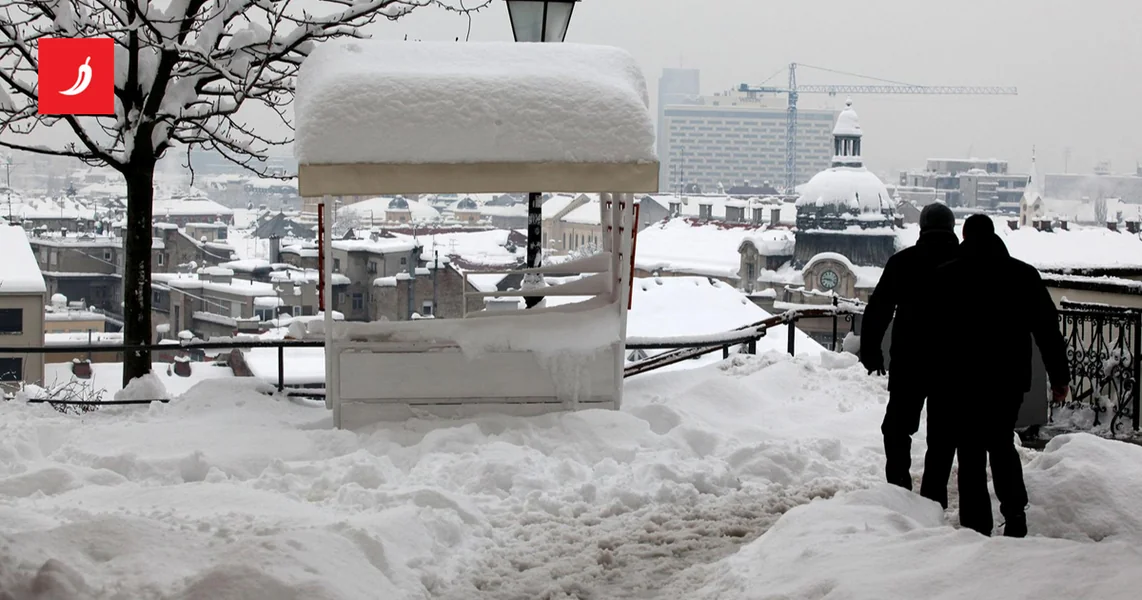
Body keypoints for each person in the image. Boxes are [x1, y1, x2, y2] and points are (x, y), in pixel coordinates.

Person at [923, 214, 1070, 537]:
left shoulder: (945, 275)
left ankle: (976, 526)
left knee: (970, 451)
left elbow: (929, 334)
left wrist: (929, 376)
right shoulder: (1023, 275)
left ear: (964, 236)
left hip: (959, 380)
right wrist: (1060, 377)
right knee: (1002, 444)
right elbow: (1048, 331)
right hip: (1007, 380)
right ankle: (1015, 514)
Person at [860, 202, 960, 493]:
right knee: (943, 436)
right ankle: (933, 495)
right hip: (953, 363)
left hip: (909, 360)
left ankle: (899, 490)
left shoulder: (903, 261)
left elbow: (878, 310)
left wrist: (871, 352)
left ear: (922, 227)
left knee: (896, 428)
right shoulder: (966, 263)